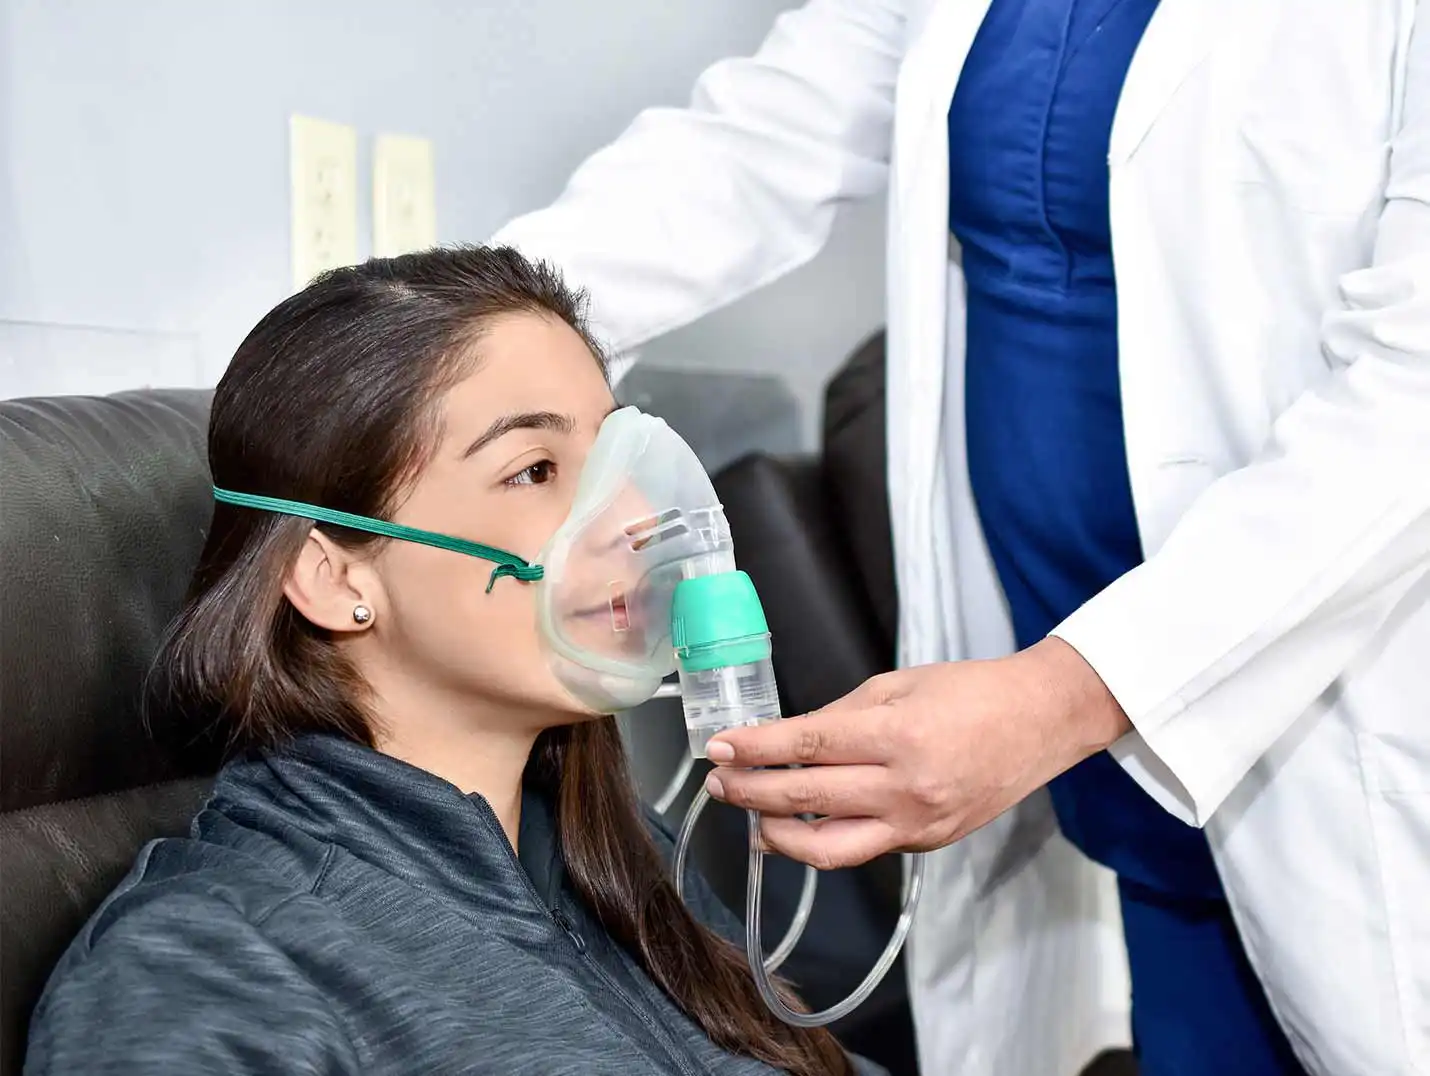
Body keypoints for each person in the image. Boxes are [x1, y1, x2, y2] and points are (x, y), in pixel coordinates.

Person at [489, 2, 1430, 1074]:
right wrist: (440, 338)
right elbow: (749, 147)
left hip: (1328, 706)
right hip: (1123, 779)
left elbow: (1411, 400)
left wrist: (1058, 695)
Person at [23, 246, 883, 1076]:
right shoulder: (201, 973)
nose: (630, 515)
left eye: (620, 458)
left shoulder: (613, 854)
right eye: (535, 469)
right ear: (331, 577)